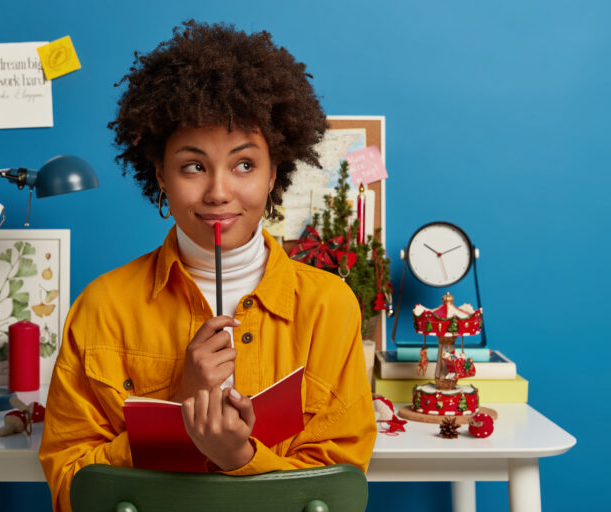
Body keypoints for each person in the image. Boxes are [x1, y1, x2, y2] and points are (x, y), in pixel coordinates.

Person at [39, 20, 376, 511]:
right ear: (160, 176)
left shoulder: (329, 307)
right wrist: (176, 411)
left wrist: (239, 455)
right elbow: (71, 487)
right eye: (193, 166)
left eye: (244, 165)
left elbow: (336, 489)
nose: (219, 192)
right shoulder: (102, 307)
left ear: (273, 174)